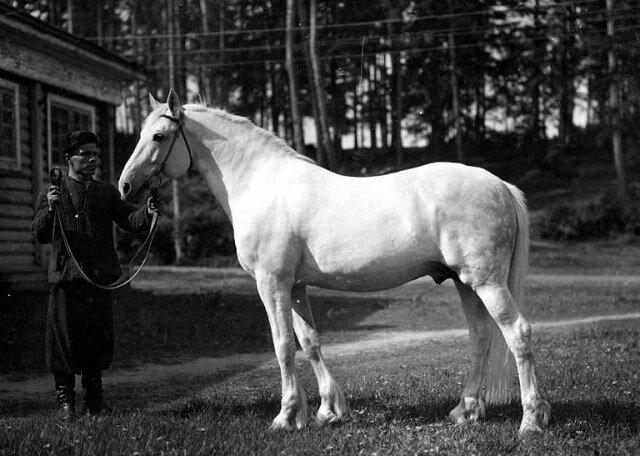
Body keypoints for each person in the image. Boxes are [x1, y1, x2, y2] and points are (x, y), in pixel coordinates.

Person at [31, 130, 158, 421]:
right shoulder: (53, 191)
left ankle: (94, 402)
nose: (91, 160)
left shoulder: (105, 192)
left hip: (98, 279)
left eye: (95, 155)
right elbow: (38, 234)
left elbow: (129, 219)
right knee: (64, 342)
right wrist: (50, 209)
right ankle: (66, 403)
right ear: (68, 159)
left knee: (96, 341)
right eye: (84, 154)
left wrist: (147, 212)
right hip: (66, 278)